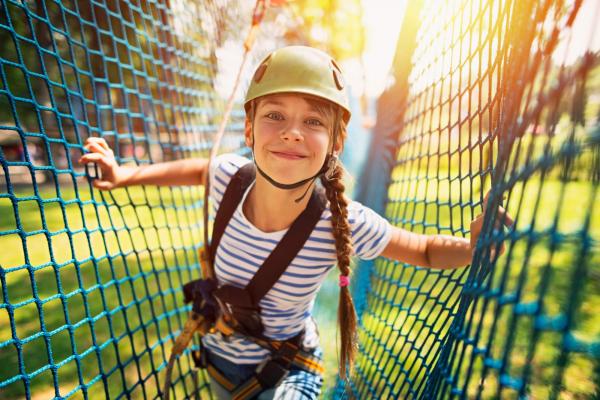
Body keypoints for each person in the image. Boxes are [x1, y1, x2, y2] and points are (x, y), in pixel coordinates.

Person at [78, 46, 513, 399]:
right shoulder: (229, 177)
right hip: (216, 358)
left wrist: (473, 249)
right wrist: (124, 176)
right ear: (249, 130)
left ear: (336, 141)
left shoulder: (339, 220)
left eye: (312, 121)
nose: (292, 132)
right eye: (274, 116)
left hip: (284, 373)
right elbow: (198, 170)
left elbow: (422, 249)